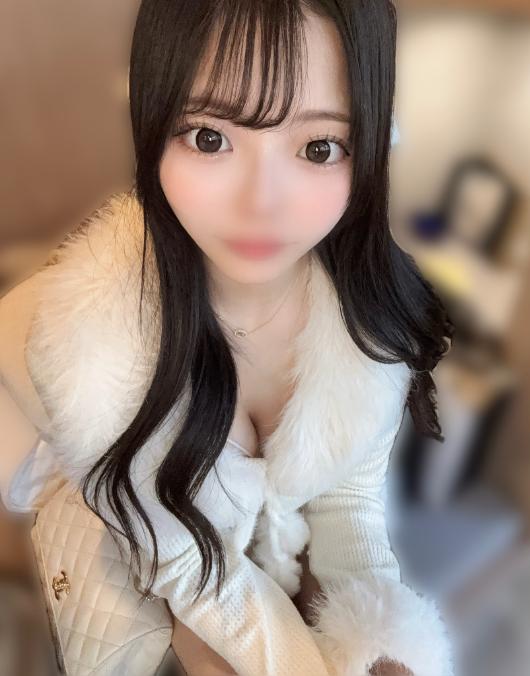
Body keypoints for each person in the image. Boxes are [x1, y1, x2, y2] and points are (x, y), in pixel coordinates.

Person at [0, 1, 455, 674]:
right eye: (210, 138)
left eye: (319, 148)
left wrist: (382, 645)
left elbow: (347, 501)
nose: (261, 203)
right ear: (153, 124)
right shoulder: (85, 349)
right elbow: (187, 567)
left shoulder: (363, 324)